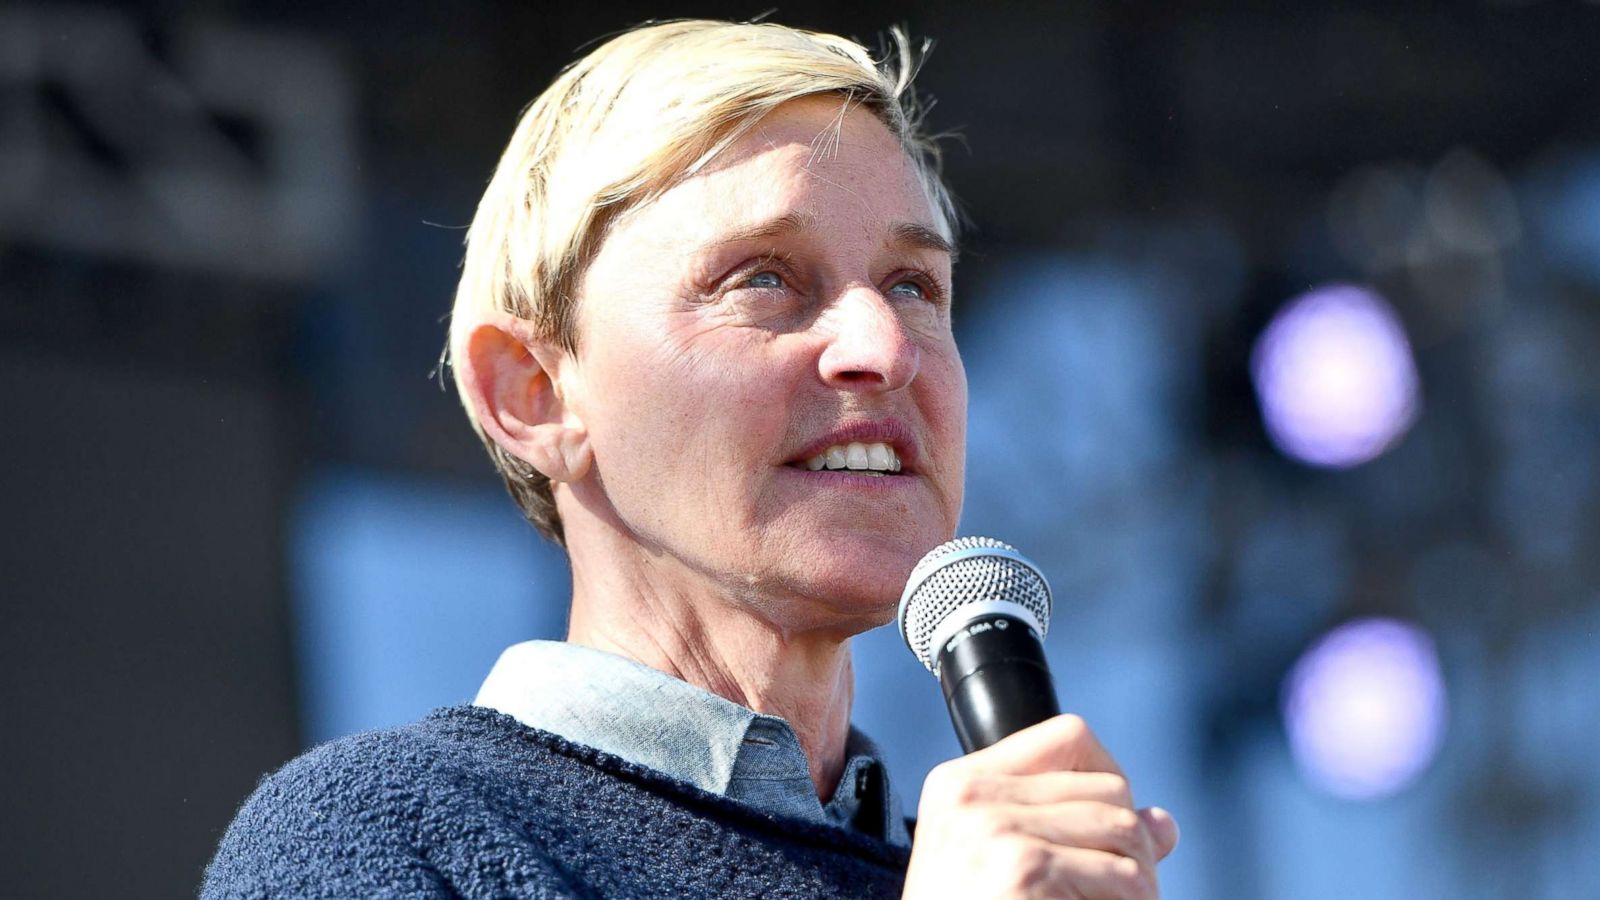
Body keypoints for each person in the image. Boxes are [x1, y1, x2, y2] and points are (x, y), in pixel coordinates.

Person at [203, 19, 1178, 899]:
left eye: (914, 285)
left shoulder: (987, 875)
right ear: (534, 393)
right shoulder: (385, 839)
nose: (881, 346)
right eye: (764, 277)